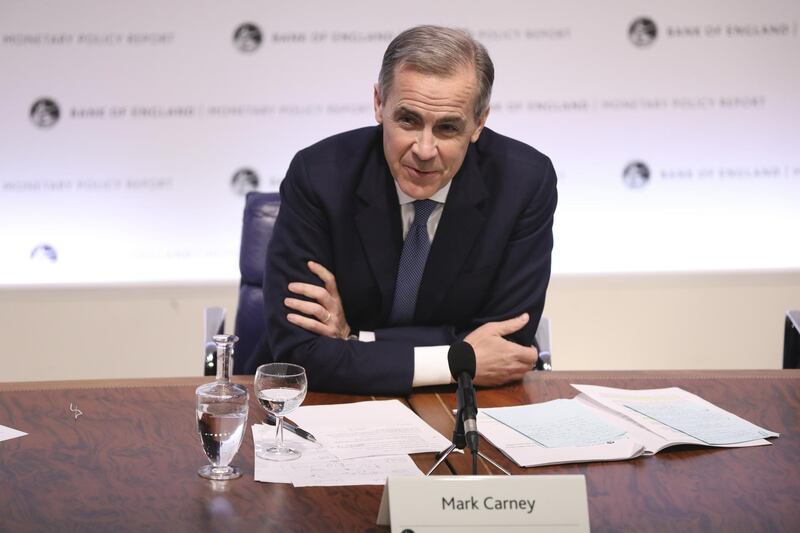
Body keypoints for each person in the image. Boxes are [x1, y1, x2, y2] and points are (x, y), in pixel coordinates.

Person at [247, 25, 558, 395]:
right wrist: (458, 359)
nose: (424, 150)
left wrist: (354, 339)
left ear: (479, 122)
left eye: (447, 128)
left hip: (462, 405)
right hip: (322, 400)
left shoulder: (523, 184)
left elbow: (507, 343)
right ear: (379, 103)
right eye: (408, 120)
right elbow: (299, 352)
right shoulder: (319, 177)